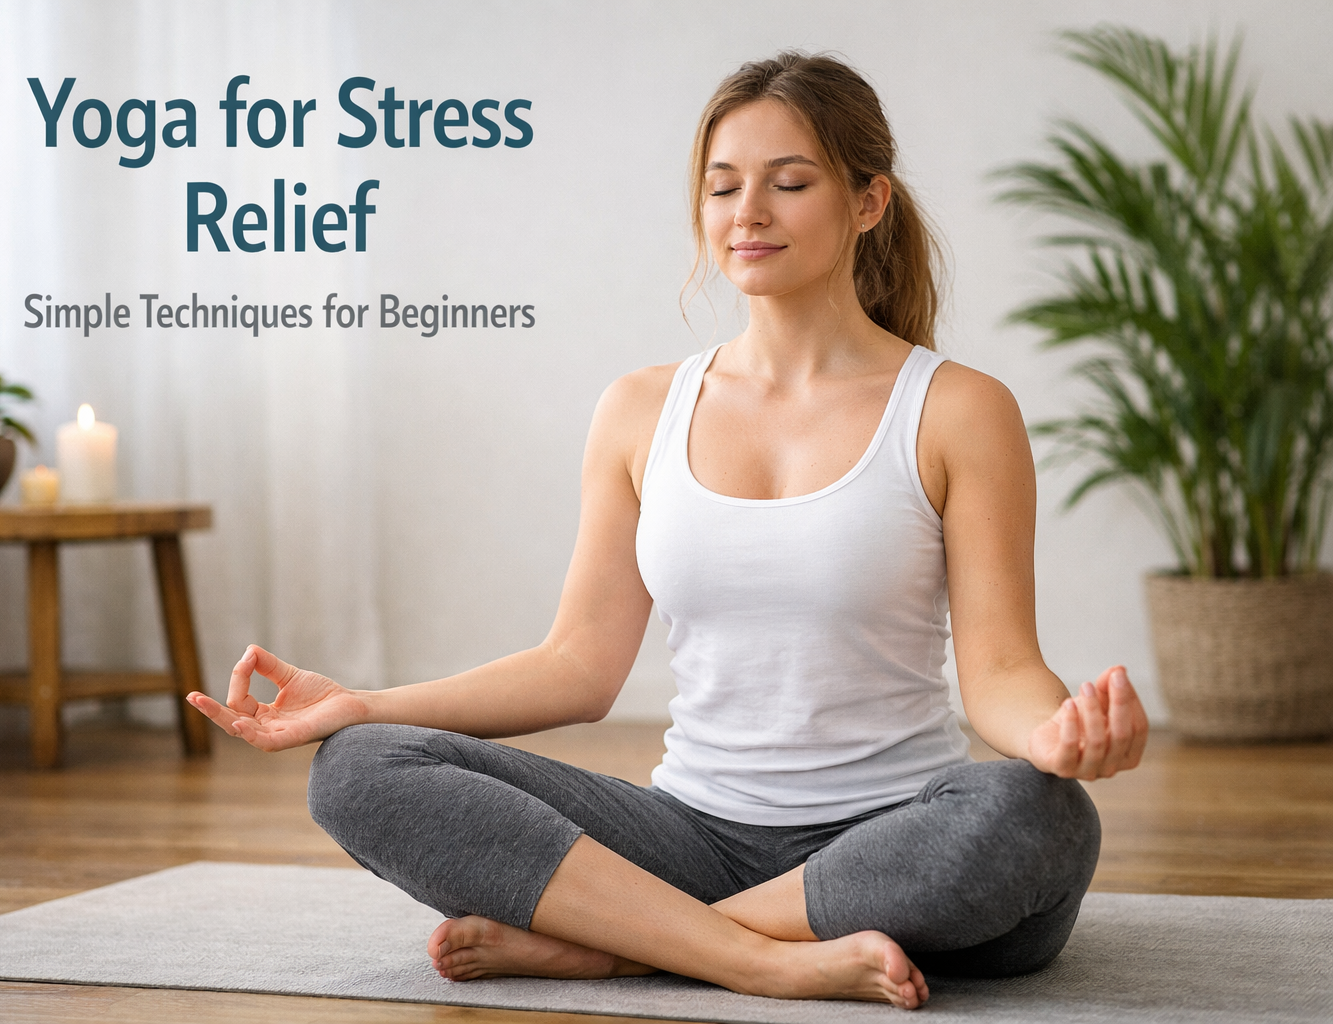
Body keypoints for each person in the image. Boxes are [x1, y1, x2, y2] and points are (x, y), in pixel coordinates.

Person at [186, 51, 1148, 1010]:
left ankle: (628, 944)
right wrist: (362, 703)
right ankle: (756, 957)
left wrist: (1057, 734)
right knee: (359, 769)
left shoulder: (957, 409)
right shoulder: (640, 409)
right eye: (722, 186)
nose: (748, 213)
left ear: (868, 202)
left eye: (790, 183)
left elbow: (1000, 671)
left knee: (1036, 813)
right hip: (689, 834)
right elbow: (578, 665)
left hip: (895, 838)